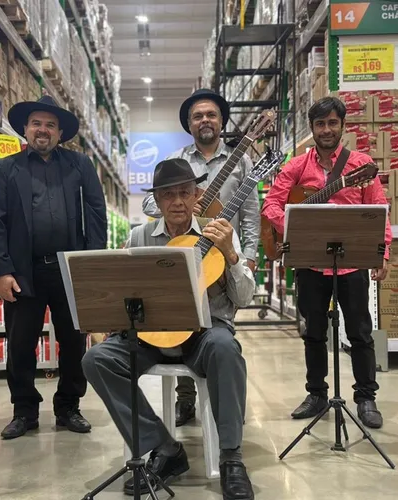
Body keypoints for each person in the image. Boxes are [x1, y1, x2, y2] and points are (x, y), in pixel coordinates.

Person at [83, 158, 255, 499]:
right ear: (157, 201)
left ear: (196, 196)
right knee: (96, 360)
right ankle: (163, 446)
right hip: (150, 334)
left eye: (185, 193)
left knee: (226, 349)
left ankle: (232, 458)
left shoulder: (217, 232)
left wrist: (231, 256)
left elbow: (245, 298)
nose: (177, 201)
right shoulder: (140, 236)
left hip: (204, 333)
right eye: (168, 195)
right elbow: (123, 292)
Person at [261, 96, 391, 428]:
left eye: (333, 123)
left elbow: (379, 211)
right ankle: (317, 394)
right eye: (320, 124)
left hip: (352, 263)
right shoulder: (295, 167)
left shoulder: (359, 165)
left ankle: (366, 398)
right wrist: (293, 225)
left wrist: (382, 252)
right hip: (310, 261)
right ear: (312, 128)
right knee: (314, 332)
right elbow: (271, 206)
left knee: (361, 332)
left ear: (343, 127)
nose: (327, 130)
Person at [0, 95, 107, 439]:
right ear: (25, 128)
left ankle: (69, 406)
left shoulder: (80, 165)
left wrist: (92, 264)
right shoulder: (7, 169)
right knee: (21, 343)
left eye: (50, 125)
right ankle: (24, 411)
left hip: (71, 270)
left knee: (73, 341)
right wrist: (2, 271)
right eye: (36, 123)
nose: (43, 130)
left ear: (60, 132)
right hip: (24, 272)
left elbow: (97, 215)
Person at [141, 88, 261, 427]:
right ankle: (185, 398)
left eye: (210, 115)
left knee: (217, 326)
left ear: (221, 121)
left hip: (224, 251)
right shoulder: (179, 159)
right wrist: (184, 205)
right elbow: (152, 204)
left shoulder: (241, 159)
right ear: (189, 124)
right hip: (184, 246)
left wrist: (246, 255)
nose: (205, 120)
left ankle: (223, 412)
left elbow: (250, 210)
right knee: (178, 315)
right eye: (197, 116)